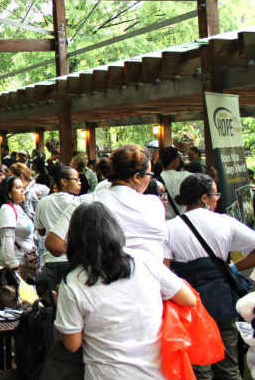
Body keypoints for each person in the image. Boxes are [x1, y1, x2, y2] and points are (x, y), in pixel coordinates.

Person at [55, 201, 195, 380]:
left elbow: (72, 344)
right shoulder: (144, 261)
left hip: (106, 374)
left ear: (74, 239)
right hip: (157, 373)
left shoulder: (73, 283)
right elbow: (188, 299)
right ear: (114, 230)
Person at [165, 173, 255, 380]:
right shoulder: (224, 222)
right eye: (215, 194)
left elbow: (165, 270)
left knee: (198, 365)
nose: (218, 199)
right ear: (204, 198)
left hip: (187, 303)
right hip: (222, 299)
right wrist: (232, 268)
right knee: (228, 363)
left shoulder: (169, 228)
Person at [46, 144, 167, 262]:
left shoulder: (86, 202)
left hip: (100, 277)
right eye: (149, 174)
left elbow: (54, 244)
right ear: (137, 177)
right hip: (148, 279)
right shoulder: (154, 205)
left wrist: (88, 256)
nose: (150, 179)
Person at [34, 165, 83, 292]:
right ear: (64, 181)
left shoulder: (43, 202)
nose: (80, 182)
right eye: (76, 180)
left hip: (50, 260)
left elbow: (40, 231)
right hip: (72, 260)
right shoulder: (78, 203)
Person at [0, 176, 38, 282]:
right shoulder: (6, 210)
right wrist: (13, 266)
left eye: (23, 187)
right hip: (12, 265)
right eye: (18, 187)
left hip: (24, 263)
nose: (23, 190)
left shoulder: (18, 207)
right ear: (9, 193)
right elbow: (7, 240)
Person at [159, 146, 192, 218]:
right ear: (176, 160)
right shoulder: (189, 177)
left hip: (165, 222)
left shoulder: (157, 180)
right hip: (186, 221)